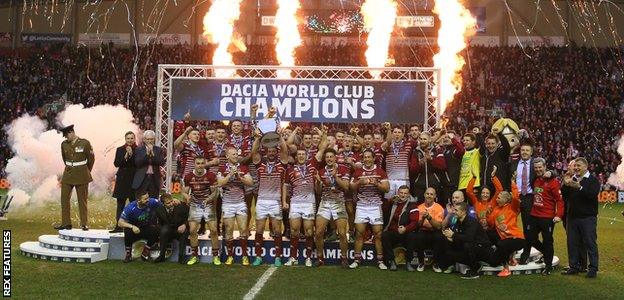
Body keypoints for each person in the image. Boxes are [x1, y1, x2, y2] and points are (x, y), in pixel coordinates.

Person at [250, 129, 289, 267]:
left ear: (276, 153)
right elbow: (254, 153)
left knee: (277, 231)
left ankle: (278, 257)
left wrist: (279, 137)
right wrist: (258, 139)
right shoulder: (260, 164)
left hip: (275, 201)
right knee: (259, 230)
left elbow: (285, 151)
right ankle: (258, 256)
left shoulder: (281, 164)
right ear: (266, 152)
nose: (271, 153)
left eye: (274, 151)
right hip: (261, 200)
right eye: (269, 151)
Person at [349, 150, 390, 269]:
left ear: (373, 158)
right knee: (359, 234)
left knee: (378, 235)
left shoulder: (380, 172)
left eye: (369, 157)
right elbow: (351, 187)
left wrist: (376, 183)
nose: (367, 159)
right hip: (362, 206)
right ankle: (357, 260)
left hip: (375, 206)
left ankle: (380, 261)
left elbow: (386, 189)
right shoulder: (358, 172)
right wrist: (359, 183)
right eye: (365, 157)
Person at [561, 157, 600, 278]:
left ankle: (593, 268)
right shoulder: (573, 179)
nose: (576, 168)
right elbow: (564, 196)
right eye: (575, 166)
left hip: (587, 218)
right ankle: (574, 266)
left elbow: (592, 195)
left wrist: (579, 187)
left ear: (585, 167)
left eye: (579, 166)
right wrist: (566, 184)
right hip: (572, 217)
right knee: (572, 243)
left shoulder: (593, 180)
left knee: (590, 243)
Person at [314, 148, 351, 267]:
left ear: (335, 158)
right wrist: (318, 183)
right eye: (327, 157)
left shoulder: (344, 169)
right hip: (325, 203)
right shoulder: (320, 171)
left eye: (331, 157)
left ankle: (344, 258)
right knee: (319, 232)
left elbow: (346, 187)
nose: (329, 159)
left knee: (341, 233)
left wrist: (336, 177)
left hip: (338, 203)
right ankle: (320, 258)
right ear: (325, 159)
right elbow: (318, 192)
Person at [217, 147, 255, 266]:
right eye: (233, 154)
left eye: (236, 154)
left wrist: (240, 177)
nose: (235, 156)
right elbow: (219, 183)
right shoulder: (222, 168)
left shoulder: (243, 167)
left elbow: (251, 182)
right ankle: (230, 256)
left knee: (243, 229)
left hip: (240, 203)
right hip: (227, 203)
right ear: (227, 156)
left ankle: (244, 255)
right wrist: (229, 175)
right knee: (228, 229)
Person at [527, 158, 564, 275]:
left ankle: (548, 266)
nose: (538, 169)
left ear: (544, 167)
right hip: (534, 215)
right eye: (536, 167)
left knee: (547, 241)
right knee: (530, 238)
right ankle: (547, 253)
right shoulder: (536, 180)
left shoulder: (553, 182)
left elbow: (559, 200)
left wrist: (559, 215)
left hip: (547, 217)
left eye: (540, 167)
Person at [439, 202, 493, 279]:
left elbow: (469, 238)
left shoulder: (471, 221)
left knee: (467, 245)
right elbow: (459, 236)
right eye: (454, 210)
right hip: (471, 248)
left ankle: (474, 272)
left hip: (483, 249)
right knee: (449, 253)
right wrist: (450, 237)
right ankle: (477, 265)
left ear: (463, 212)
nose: (454, 212)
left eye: (456, 210)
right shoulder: (458, 221)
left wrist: (453, 235)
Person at [182, 156, 220, 266]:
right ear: (194, 164)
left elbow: (215, 193)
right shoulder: (189, 176)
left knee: (213, 230)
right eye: (198, 163)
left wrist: (208, 199)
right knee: (193, 230)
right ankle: (194, 256)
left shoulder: (211, 175)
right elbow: (184, 192)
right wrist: (187, 197)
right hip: (195, 204)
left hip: (208, 205)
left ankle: (215, 256)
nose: (200, 165)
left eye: (202, 163)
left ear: (205, 164)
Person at [56, 124, 95, 231]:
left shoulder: (85, 143)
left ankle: (84, 224)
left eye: (66, 135)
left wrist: (86, 171)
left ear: (71, 132)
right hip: (68, 174)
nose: (65, 138)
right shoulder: (64, 144)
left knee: (82, 200)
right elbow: (64, 159)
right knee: (64, 199)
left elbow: (91, 159)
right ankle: (66, 223)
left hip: (82, 174)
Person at [488, 180, 525, 277]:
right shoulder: (496, 209)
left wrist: (513, 183)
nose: (496, 199)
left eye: (499, 198)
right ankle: (511, 257)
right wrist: (489, 214)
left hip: (517, 238)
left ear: (506, 200)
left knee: (502, 244)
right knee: (489, 233)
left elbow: (516, 198)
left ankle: (506, 269)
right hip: (504, 239)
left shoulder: (512, 207)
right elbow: (491, 223)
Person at [381, 185, 420, 271]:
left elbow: (414, 222)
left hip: (406, 231)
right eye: (401, 193)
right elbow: (383, 211)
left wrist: (405, 229)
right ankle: (391, 261)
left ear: (408, 194)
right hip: (393, 231)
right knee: (384, 235)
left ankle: (409, 262)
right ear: (398, 193)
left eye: (405, 193)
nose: (403, 195)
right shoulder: (393, 203)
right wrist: (390, 201)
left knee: (412, 236)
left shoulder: (413, 205)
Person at [510, 141, 536, 264]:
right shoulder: (513, 164)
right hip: (515, 197)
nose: (524, 152)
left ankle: (526, 253)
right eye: (523, 150)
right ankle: (511, 251)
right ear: (520, 152)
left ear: (531, 152)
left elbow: (547, 172)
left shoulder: (535, 164)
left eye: (527, 150)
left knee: (528, 227)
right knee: (510, 224)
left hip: (529, 198)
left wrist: (551, 172)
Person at [118, 191, 161, 263]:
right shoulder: (130, 208)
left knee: (156, 230)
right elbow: (120, 223)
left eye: (148, 197)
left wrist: (174, 201)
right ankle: (128, 254)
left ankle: (145, 251)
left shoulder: (151, 202)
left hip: (145, 227)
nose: (148, 200)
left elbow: (163, 203)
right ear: (138, 200)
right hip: (134, 230)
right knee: (127, 231)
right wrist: (132, 226)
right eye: (145, 199)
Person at [414, 187, 446, 272]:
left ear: (435, 196)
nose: (429, 196)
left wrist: (428, 217)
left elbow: (439, 226)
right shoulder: (419, 207)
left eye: (431, 194)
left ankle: (435, 264)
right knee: (418, 237)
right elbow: (417, 225)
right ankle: (421, 262)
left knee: (439, 237)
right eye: (427, 194)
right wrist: (422, 219)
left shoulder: (439, 208)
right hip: (423, 231)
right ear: (424, 195)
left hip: (434, 231)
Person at [110, 131, 137, 233]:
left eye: (131, 138)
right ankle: (118, 226)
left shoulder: (138, 150)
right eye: (128, 138)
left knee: (134, 205)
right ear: (125, 139)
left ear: (134, 139)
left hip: (134, 181)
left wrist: (132, 154)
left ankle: (132, 227)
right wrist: (125, 156)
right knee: (120, 204)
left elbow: (138, 163)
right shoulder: (120, 149)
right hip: (122, 181)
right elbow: (116, 163)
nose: (130, 140)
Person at [381, 123, 415, 200]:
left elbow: (425, 142)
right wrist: (389, 130)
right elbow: (388, 142)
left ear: (403, 134)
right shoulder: (387, 146)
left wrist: (440, 135)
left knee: (403, 202)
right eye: (395, 132)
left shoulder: (409, 145)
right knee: (388, 203)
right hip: (390, 180)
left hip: (403, 180)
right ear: (392, 134)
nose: (397, 134)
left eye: (399, 132)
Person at [410, 132, 446, 201]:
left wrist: (431, 159)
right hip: (419, 187)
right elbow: (412, 169)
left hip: (434, 185)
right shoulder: (416, 152)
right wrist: (420, 163)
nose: (422, 141)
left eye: (424, 139)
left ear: (430, 140)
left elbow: (443, 166)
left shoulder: (437, 150)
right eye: (421, 139)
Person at [153, 193, 189, 264]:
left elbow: (190, 216)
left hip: (180, 228)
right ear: (163, 204)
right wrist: (163, 229)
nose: (171, 203)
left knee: (184, 232)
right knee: (164, 230)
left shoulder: (181, 206)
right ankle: (162, 256)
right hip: (168, 229)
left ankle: (181, 256)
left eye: (171, 201)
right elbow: (159, 223)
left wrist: (184, 225)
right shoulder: (159, 210)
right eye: (168, 203)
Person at [132, 130, 165, 198]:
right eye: (148, 139)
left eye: (151, 139)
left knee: (154, 202)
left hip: (154, 179)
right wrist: (146, 155)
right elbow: (137, 163)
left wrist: (153, 155)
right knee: (140, 201)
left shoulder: (159, 150)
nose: (149, 141)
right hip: (141, 180)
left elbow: (162, 162)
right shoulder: (139, 149)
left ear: (154, 139)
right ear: (144, 139)